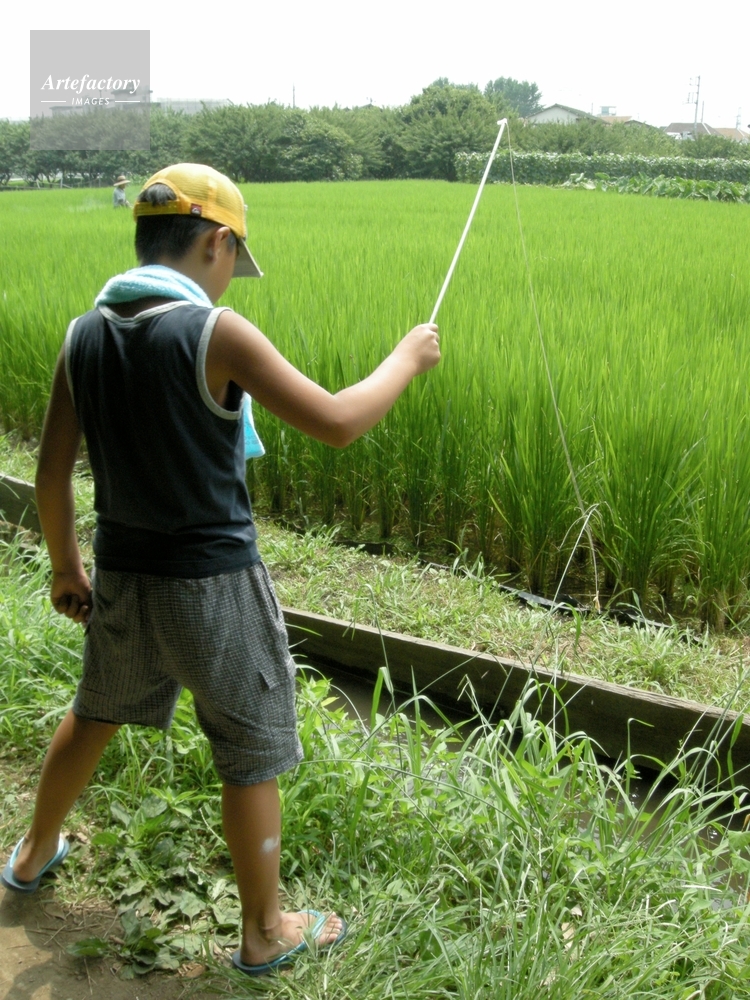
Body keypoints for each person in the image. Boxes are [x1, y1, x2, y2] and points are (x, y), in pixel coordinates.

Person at [1, 163, 440, 975]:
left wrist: (66, 570)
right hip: (215, 587)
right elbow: (337, 422)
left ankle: (31, 853)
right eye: (234, 260)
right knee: (250, 750)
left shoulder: (82, 335)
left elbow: (52, 472)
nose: (231, 276)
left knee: (95, 711)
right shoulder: (217, 333)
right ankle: (264, 930)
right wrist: (407, 358)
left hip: (123, 576)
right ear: (215, 242)